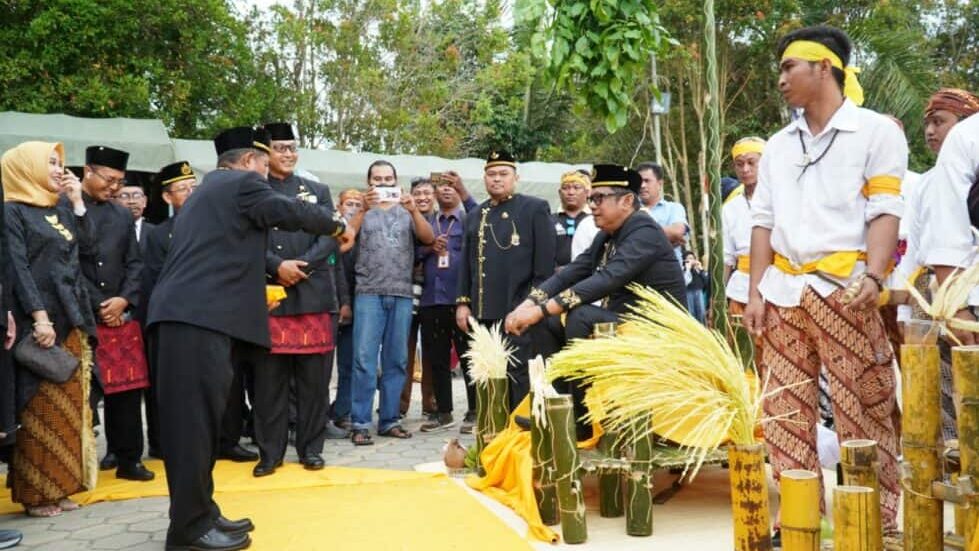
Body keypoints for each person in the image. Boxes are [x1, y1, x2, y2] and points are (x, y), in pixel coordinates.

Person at [146, 126, 351, 551]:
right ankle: (187, 532)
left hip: (196, 320)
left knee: (200, 425)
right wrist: (336, 223)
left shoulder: (210, 194)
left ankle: (202, 513)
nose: (266, 171)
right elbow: (288, 211)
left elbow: (230, 258)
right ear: (247, 162)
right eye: (263, 162)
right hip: (194, 322)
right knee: (192, 431)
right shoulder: (237, 183)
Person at [742, 25, 907, 536]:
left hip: (845, 290)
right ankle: (796, 520)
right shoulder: (777, 144)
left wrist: (875, 277)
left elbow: (885, 209)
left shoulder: (877, 131)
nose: (781, 79)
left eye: (789, 67)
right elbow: (762, 221)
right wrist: (754, 293)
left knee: (865, 405)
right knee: (784, 409)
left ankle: (878, 521)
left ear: (823, 67)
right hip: (783, 293)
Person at [505, 164, 686, 438]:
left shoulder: (644, 231)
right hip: (624, 323)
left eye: (599, 199)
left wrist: (540, 310)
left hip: (654, 331)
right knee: (547, 322)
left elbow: (607, 279)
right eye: (592, 199)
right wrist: (529, 304)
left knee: (579, 316)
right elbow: (574, 271)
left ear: (626, 201)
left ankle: (581, 421)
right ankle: (555, 406)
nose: (592, 206)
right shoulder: (608, 232)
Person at [3, 141, 98, 518]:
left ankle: (62, 486)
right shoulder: (12, 212)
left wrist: (77, 204)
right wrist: (39, 316)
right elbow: (17, 267)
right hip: (39, 323)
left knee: (71, 408)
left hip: (72, 319)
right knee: (40, 408)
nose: (60, 170)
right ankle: (37, 493)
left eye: (61, 164)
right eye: (51, 163)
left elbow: (87, 252)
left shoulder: (57, 207)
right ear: (26, 168)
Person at [251, 122, 346, 477]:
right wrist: (277, 267)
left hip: (312, 295)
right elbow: (243, 239)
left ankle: (311, 449)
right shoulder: (253, 191)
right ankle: (270, 454)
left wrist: (300, 266)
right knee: (269, 384)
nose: (288, 154)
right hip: (269, 298)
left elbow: (333, 234)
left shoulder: (316, 190)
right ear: (264, 153)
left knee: (314, 384)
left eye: (292, 148)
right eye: (280, 148)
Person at [456, 151, 555, 410]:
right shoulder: (476, 214)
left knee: (519, 372)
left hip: (520, 306)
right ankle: (492, 428)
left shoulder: (534, 208)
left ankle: (520, 431)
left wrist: (532, 304)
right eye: (491, 174)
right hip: (483, 310)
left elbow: (544, 266)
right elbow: (465, 264)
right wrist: (463, 303)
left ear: (516, 177)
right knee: (488, 374)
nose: (496, 179)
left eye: (503, 174)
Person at [78, 146, 154, 482]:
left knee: (127, 391)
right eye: (109, 180)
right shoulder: (65, 209)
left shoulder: (122, 214)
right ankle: (82, 463)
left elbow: (135, 263)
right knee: (85, 394)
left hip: (122, 316)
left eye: (119, 182)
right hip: (82, 316)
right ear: (87, 171)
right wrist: (99, 303)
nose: (114, 188)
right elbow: (67, 266)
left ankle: (129, 459)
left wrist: (123, 299)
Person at [346, 160, 434, 446]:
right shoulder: (360, 207)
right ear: (369, 181)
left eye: (388, 179)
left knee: (397, 360)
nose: (383, 183)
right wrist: (363, 209)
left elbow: (428, 238)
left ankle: (389, 419)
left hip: (401, 293)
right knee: (363, 359)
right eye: (377, 179)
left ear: (396, 181)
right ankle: (359, 422)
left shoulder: (407, 210)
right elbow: (344, 239)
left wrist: (413, 210)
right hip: (368, 292)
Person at [140, 160, 197, 459]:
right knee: (166, 385)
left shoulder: (213, 225)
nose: (190, 193)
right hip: (172, 319)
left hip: (207, 319)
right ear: (167, 197)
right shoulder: (159, 234)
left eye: (193, 188)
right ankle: (162, 443)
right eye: (183, 189)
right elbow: (157, 279)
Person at [417, 177, 475, 432]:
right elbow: (412, 253)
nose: (447, 190)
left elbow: (484, 218)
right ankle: (443, 413)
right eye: (441, 186)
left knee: (468, 357)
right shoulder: (425, 222)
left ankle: (475, 411)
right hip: (431, 299)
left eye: (452, 186)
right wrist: (430, 247)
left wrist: (466, 194)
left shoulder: (468, 219)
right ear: (434, 193)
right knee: (437, 358)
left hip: (461, 300)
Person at [400, 178, 437, 419]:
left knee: (433, 350)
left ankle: (431, 402)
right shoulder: (403, 218)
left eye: (427, 193)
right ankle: (399, 404)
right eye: (418, 193)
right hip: (406, 289)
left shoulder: (442, 220)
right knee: (403, 348)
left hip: (434, 292)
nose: (422, 197)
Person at [722, 137, 765, 319]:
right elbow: (727, 259)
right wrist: (717, 300)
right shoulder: (729, 208)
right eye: (740, 164)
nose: (745, 169)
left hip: (776, 288)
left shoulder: (782, 200)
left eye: (751, 163)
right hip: (740, 291)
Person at [329, 189, 361, 432]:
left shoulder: (365, 232)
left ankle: (342, 411)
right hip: (330, 302)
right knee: (321, 367)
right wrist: (342, 301)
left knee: (348, 364)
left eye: (358, 204)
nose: (353, 208)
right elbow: (334, 266)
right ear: (338, 206)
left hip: (358, 305)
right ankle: (317, 413)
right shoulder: (330, 229)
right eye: (349, 203)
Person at [635, 162, 688, 263]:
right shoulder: (630, 210)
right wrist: (667, 240)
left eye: (647, 181)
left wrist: (637, 236)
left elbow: (677, 232)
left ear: (660, 184)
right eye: (639, 181)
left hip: (669, 273)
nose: (642, 185)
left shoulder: (674, 208)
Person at [552, 170, 590, 270]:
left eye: (576, 187)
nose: (571, 192)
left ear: (587, 192)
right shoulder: (549, 220)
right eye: (565, 188)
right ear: (560, 193)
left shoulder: (595, 220)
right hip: (554, 279)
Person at [683, 250, 708, 324]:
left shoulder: (697, 270)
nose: (691, 260)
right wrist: (688, 268)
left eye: (692, 258)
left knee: (701, 313)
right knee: (691, 313)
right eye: (689, 258)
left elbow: (706, 281)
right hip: (688, 293)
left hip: (699, 291)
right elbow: (685, 281)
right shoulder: (684, 270)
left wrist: (701, 270)